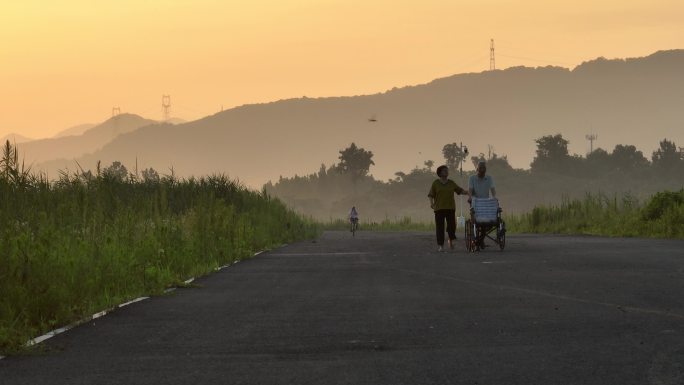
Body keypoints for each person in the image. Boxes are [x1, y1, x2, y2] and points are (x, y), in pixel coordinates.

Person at [428, 165, 470, 252]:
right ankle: (441, 246)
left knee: (452, 226)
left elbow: (459, 190)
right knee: (440, 227)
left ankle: (450, 240)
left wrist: (467, 192)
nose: (446, 172)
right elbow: (431, 195)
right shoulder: (436, 183)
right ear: (439, 173)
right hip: (439, 208)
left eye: (447, 170)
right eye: (444, 171)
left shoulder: (451, 183)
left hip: (450, 208)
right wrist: (431, 204)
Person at [468, 161, 497, 248]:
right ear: (477, 169)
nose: (482, 170)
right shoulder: (472, 178)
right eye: (480, 168)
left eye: (484, 168)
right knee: (477, 222)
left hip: (486, 202)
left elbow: (492, 189)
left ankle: (480, 240)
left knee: (486, 222)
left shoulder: (489, 178)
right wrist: (470, 197)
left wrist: (494, 197)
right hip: (475, 201)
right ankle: (479, 240)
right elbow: (470, 189)